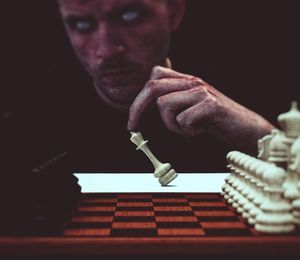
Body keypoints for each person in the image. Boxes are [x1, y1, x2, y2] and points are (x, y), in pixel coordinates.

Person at [57, 0, 274, 171]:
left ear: (173, 12)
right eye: (81, 24)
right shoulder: (40, 115)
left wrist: (258, 134)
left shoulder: (254, 74)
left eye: (129, 16)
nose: (107, 50)